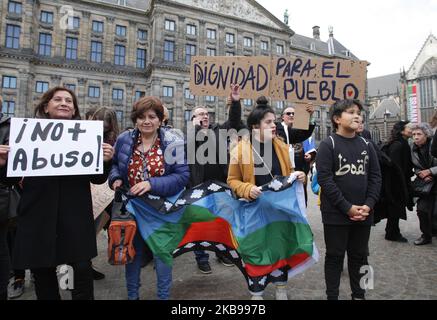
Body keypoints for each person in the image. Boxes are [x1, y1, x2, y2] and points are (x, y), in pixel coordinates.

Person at [8, 87, 114, 300]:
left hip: (74, 215)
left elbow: (98, 179)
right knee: (43, 273)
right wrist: (3, 163)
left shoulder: (85, 136)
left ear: (74, 108)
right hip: (38, 214)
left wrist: (105, 161)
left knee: (81, 270)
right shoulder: (26, 134)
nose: (64, 103)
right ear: (46, 106)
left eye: (69, 100)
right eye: (58, 99)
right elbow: (9, 179)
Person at [109, 96, 189, 300]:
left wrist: (151, 183)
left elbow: (182, 176)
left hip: (162, 209)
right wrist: (116, 178)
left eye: (152, 116)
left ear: (160, 119)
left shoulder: (173, 142)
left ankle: (163, 296)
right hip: (133, 207)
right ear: (135, 119)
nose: (147, 121)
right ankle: (132, 295)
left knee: (162, 256)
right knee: (131, 254)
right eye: (142, 117)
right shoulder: (124, 139)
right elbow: (116, 165)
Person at [227, 96, 306, 300]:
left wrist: (299, 177)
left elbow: (289, 173)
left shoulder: (281, 146)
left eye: (274, 122)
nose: (274, 126)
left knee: (280, 248)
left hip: (279, 210)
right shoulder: (240, 150)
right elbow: (232, 181)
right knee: (256, 251)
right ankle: (257, 292)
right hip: (254, 210)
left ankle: (281, 287)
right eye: (269, 122)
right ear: (255, 126)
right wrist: (246, 188)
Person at [316, 99, 381, 300]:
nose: (357, 116)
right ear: (337, 119)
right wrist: (347, 207)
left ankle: (360, 294)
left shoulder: (367, 145)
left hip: (364, 213)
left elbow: (375, 177)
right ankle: (332, 296)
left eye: (359, 113)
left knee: (360, 256)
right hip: (336, 213)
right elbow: (325, 180)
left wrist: (368, 205)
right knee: (335, 256)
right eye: (351, 112)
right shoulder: (328, 145)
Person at [188, 84, 245, 272]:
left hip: (220, 185)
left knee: (221, 221)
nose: (204, 116)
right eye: (199, 114)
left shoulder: (218, 130)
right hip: (199, 187)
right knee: (200, 224)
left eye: (206, 113)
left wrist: (235, 102)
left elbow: (235, 122)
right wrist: (195, 128)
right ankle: (201, 258)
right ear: (192, 119)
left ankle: (221, 253)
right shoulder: (189, 135)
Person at [88, 107, 121, 280]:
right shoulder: (88, 138)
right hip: (99, 190)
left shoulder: (115, 141)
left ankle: (88, 263)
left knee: (95, 228)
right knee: (93, 228)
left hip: (106, 191)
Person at [381, 121, 413, 242]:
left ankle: (392, 230)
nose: (412, 130)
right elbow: (395, 166)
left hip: (397, 181)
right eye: (409, 128)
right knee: (395, 207)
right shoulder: (398, 145)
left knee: (395, 207)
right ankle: (392, 233)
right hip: (395, 182)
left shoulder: (401, 143)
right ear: (402, 130)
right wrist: (402, 183)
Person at [276, 106, 316, 205]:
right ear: (282, 117)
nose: (291, 115)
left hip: (299, 173)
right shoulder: (276, 129)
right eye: (288, 113)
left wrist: (310, 117)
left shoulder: (298, 131)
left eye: (294, 113)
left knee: (299, 203)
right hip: (281, 173)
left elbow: (306, 136)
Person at [410, 123, 437, 245]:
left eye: (419, 134)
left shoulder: (434, 145)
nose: (415, 137)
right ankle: (426, 235)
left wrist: (430, 171)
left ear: (426, 135)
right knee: (421, 210)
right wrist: (421, 173)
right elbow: (415, 166)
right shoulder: (412, 148)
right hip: (426, 184)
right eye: (414, 134)